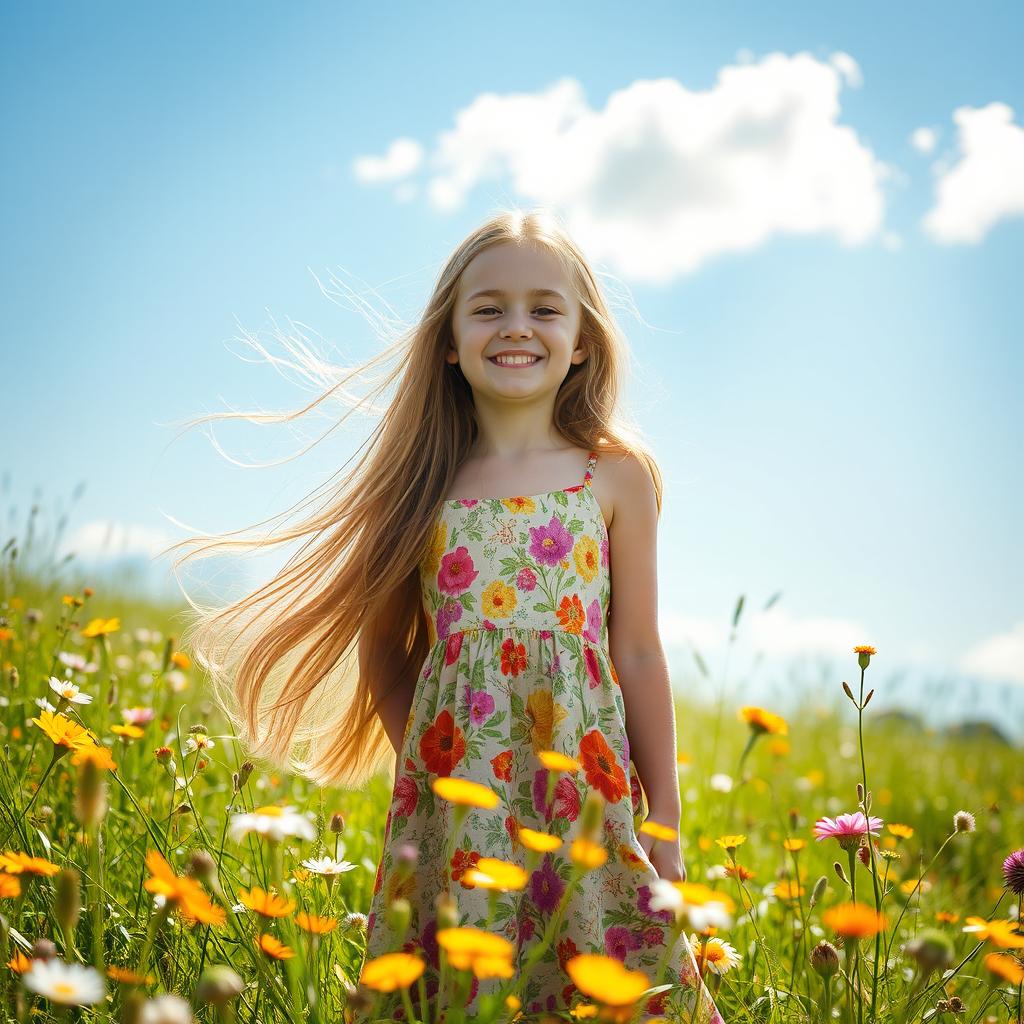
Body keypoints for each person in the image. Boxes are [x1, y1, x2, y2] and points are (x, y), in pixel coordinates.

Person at [167, 208, 724, 1023]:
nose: (516, 327)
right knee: (464, 988)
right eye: (488, 308)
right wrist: (430, 774)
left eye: (544, 308)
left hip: (587, 791)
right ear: (450, 341)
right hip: (459, 803)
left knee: (613, 975)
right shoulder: (425, 480)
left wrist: (665, 814)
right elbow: (383, 649)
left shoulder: (614, 474)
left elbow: (636, 649)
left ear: (582, 343)